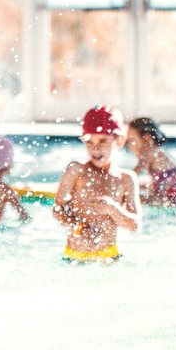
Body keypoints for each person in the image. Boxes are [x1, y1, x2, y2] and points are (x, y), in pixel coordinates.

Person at [52, 106, 140, 264]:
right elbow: (57, 208)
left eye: (103, 141)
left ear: (119, 140)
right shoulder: (76, 170)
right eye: (89, 141)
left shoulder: (126, 179)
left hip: (110, 255)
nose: (95, 147)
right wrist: (76, 226)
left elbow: (135, 225)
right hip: (75, 255)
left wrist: (112, 208)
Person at [127, 118, 176, 208]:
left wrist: (120, 182)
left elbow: (133, 175)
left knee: (131, 197)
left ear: (146, 138)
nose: (128, 145)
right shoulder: (158, 152)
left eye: (131, 140)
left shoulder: (150, 152)